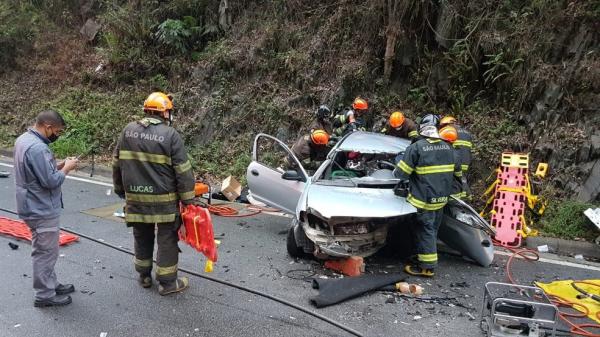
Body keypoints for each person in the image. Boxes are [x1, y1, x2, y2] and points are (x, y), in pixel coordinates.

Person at [112, 92, 196, 296]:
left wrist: (120, 190)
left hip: (136, 199)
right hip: (164, 202)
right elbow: (183, 170)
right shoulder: (170, 135)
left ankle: (144, 276)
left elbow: (117, 164)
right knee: (167, 238)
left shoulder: (128, 131)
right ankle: (167, 283)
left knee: (141, 235)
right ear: (165, 112)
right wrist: (188, 199)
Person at [14, 110, 79, 307]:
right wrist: (66, 168)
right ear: (48, 127)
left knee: (47, 249)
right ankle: (44, 295)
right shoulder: (38, 148)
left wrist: (60, 165)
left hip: (30, 203)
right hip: (40, 208)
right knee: (45, 252)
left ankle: (50, 283)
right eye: (57, 132)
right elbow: (50, 181)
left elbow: (38, 172)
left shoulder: (24, 140)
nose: (57, 136)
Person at [395, 114, 461, 277]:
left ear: (421, 129)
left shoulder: (416, 148)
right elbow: (458, 175)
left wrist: (398, 162)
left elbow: (401, 174)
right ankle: (421, 256)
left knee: (425, 231)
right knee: (431, 230)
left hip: (422, 201)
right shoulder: (449, 148)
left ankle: (427, 267)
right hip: (441, 201)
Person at [440, 116, 473, 198]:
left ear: (446, 124)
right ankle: (466, 196)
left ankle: (461, 198)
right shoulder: (466, 132)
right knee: (463, 179)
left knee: (455, 181)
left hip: (455, 161)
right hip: (466, 162)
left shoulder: (449, 131)